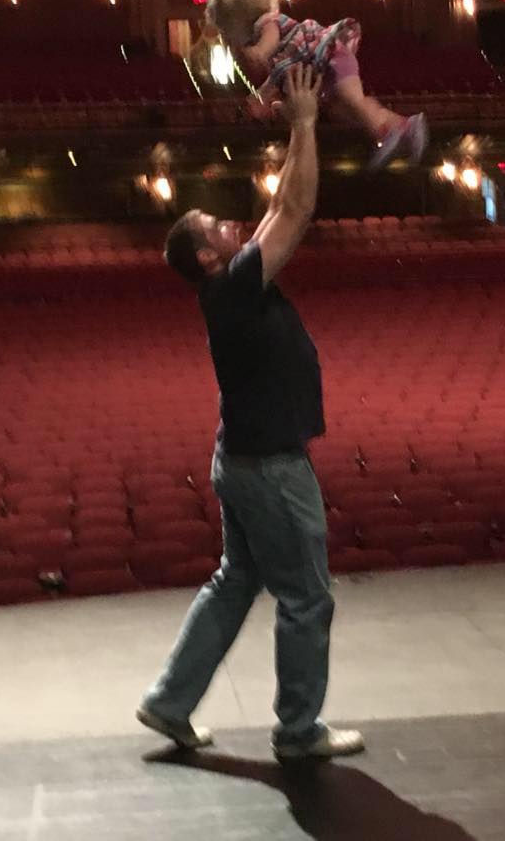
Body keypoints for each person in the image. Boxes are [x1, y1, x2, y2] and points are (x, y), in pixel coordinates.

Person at [137, 64, 364, 761]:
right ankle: (298, 731)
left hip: (240, 458)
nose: (234, 222)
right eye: (218, 226)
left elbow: (277, 207)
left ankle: (169, 702)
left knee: (237, 579)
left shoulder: (232, 283)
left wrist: (299, 129)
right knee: (306, 597)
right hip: (268, 465)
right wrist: (305, 121)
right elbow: (296, 211)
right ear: (208, 256)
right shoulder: (233, 287)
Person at [205, 0, 428, 172]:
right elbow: (276, 75)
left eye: (225, 31)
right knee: (346, 109)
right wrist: (260, 96)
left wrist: (258, 52)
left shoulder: (267, 23)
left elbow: (270, 41)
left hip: (332, 56)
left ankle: (388, 134)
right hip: (325, 70)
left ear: (237, 20)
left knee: (352, 98)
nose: (227, 39)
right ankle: (405, 126)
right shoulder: (273, 48)